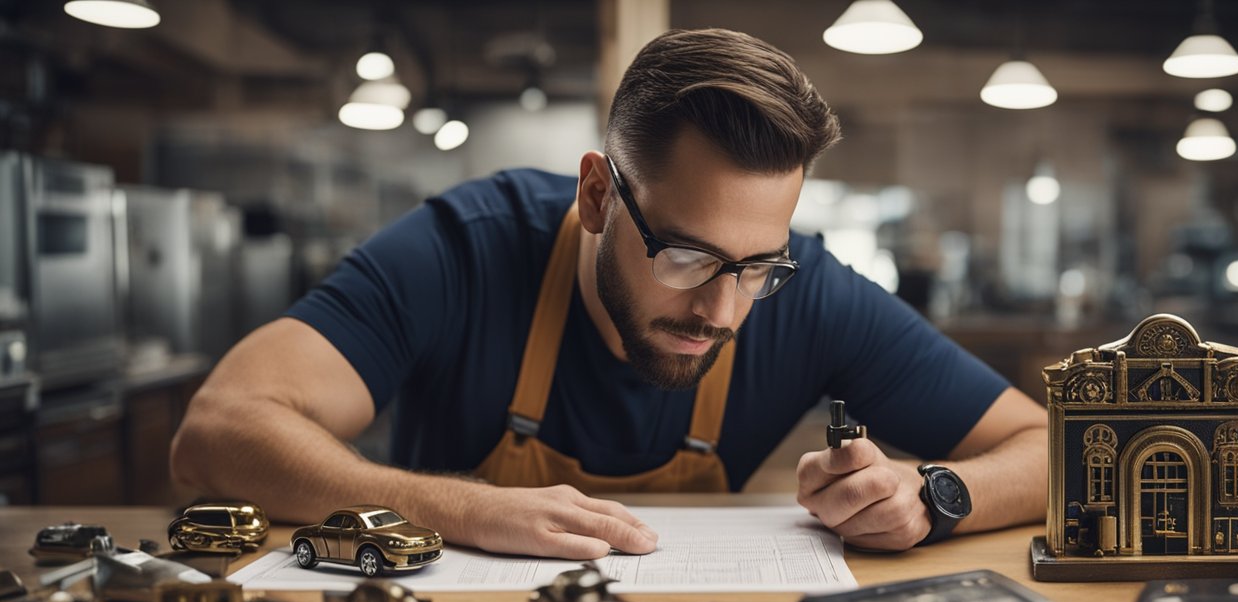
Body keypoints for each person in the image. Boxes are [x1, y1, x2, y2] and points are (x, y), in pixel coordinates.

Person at [170, 28, 1048, 559]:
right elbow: (215, 437)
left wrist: (932, 497)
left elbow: (1052, 445)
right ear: (597, 195)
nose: (724, 311)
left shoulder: (805, 291)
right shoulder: (465, 250)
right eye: (688, 258)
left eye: (755, 268)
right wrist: (464, 508)